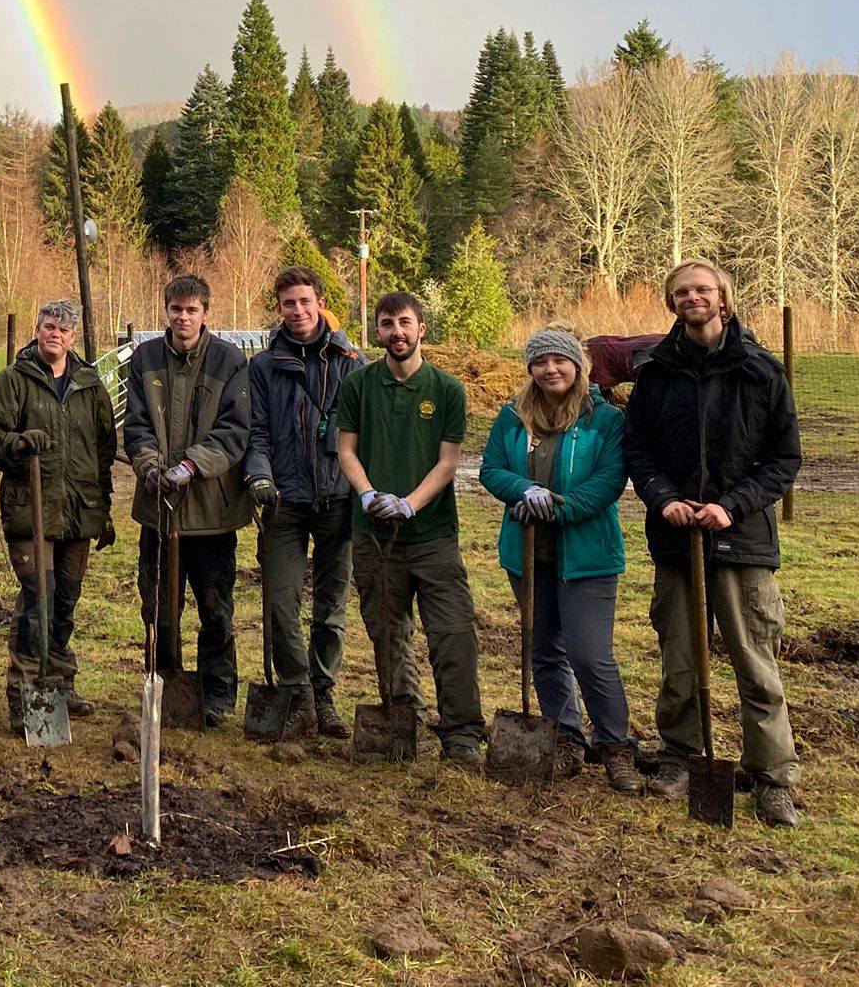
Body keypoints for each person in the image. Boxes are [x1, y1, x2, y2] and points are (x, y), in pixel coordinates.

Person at [625, 260, 802, 825]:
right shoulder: (655, 374)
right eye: (680, 292)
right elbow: (637, 451)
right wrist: (662, 497)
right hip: (677, 541)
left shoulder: (760, 372)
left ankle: (771, 775)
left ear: (723, 299)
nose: (691, 298)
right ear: (671, 303)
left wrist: (731, 505)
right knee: (680, 660)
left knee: (755, 661)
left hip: (741, 541)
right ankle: (680, 755)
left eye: (701, 290)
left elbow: (784, 460)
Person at [478, 325, 642, 792]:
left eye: (559, 360)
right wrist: (525, 490)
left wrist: (561, 505)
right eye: (540, 362)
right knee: (544, 650)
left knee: (591, 656)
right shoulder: (513, 415)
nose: (550, 369)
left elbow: (610, 480)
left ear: (578, 366)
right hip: (527, 552)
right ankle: (566, 735)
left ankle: (615, 747)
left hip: (587, 554)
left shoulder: (604, 419)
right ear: (530, 368)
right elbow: (492, 469)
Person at [337, 290, 484, 768]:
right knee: (387, 631)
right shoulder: (359, 385)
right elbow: (346, 451)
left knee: (453, 632)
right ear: (376, 331)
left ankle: (461, 732)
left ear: (422, 329)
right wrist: (367, 494)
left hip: (433, 536)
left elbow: (447, 464)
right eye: (386, 324)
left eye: (404, 322)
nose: (396, 332)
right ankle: (403, 718)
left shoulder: (447, 390)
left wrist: (410, 505)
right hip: (373, 536)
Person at [0, 298, 117, 733]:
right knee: (39, 599)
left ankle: (58, 681)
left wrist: (105, 510)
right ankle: (23, 693)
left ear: (73, 338)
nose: (54, 333)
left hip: (79, 512)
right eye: (48, 326)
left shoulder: (91, 386)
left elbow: (104, 452)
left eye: (63, 329)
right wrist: (17, 445)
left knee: (65, 602)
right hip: (30, 510)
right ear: (37, 330)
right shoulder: (13, 381)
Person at [243, 266, 371, 738]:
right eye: (287, 304)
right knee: (281, 602)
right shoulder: (261, 367)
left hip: (338, 499)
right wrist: (258, 476)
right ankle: (296, 692)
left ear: (319, 303)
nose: (297, 311)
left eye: (304, 302)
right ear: (277, 309)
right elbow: (256, 432)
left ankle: (324, 692)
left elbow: (364, 434)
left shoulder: (349, 362)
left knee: (331, 606)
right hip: (284, 502)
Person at [122, 275, 252, 729]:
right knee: (158, 607)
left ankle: (217, 694)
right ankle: (161, 683)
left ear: (205, 313)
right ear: (166, 311)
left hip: (213, 513)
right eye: (175, 309)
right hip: (159, 510)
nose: (183, 317)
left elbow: (236, 431)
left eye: (191, 310)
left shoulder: (230, 362)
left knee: (216, 609)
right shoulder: (145, 359)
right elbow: (135, 424)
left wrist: (193, 465)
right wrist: (151, 467)